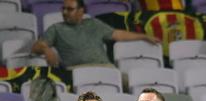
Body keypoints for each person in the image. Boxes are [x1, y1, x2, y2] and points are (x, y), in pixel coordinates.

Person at [31, 0, 159, 69]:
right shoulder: (57, 28)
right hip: (77, 71)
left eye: (69, 9)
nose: (65, 12)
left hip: (105, 68)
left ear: (81, 11)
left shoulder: (94, 24)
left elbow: (118, 34)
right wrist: (46, 49)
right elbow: (36, 47)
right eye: (63, 9)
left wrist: (144, 36)